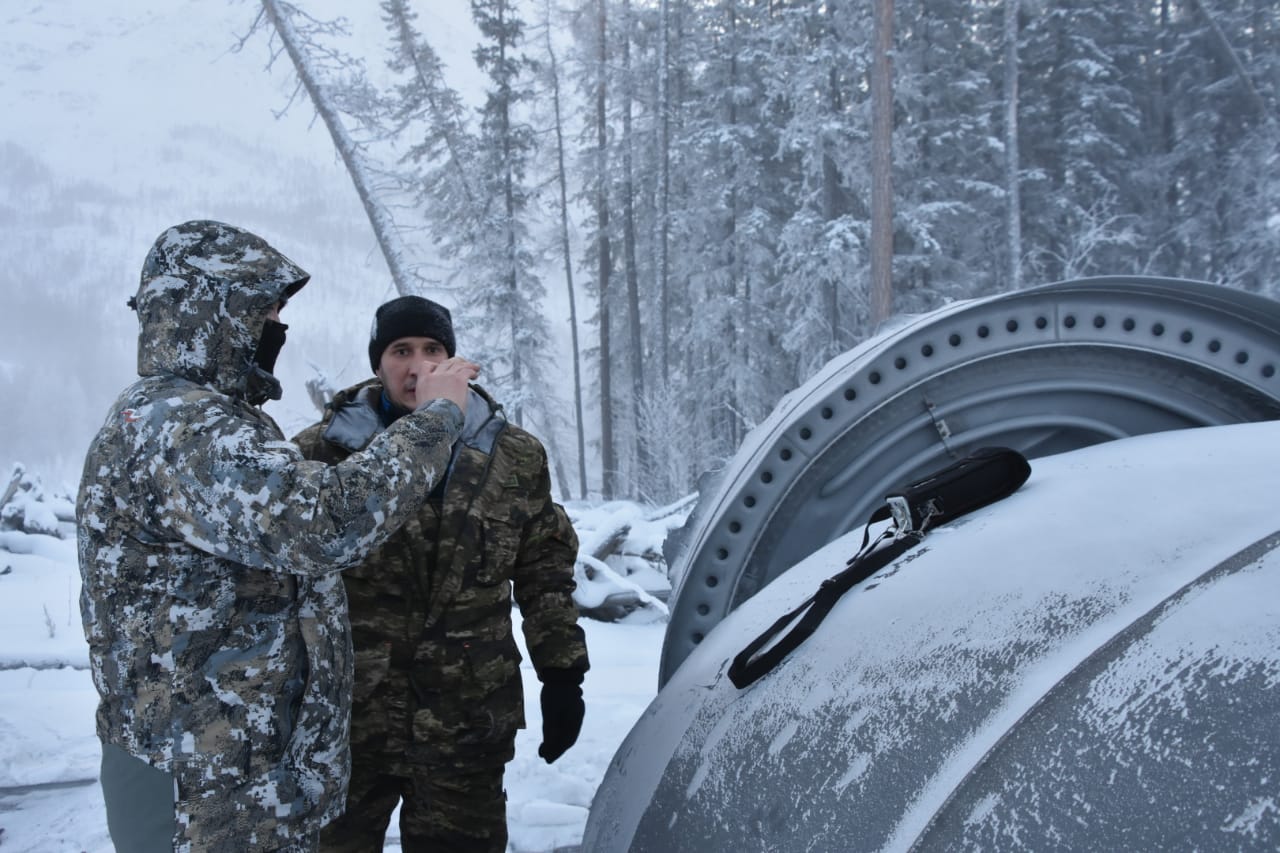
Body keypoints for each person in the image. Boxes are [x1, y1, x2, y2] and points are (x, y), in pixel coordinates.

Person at [77, 221, 479, 853]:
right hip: (200, 792)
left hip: (235, 781)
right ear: (214, 311)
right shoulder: (180, 426)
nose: (275, 328)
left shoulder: (208, 418)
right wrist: (439, 419)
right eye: (263, 311)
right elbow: (323, 524)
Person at [293, 295, 590, 853]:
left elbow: (544, 572)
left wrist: (562, 674)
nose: (418, 366)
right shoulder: (321, 453)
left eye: (433, 349)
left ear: (455, 360)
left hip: (465, 723)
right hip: (350, 725)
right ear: (377, 364)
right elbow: (284, 587)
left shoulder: (512, 454)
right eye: (401, 350)